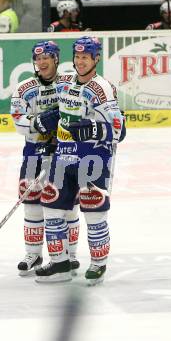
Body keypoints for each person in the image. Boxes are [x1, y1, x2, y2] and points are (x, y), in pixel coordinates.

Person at [35, 36, 126, 285]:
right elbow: (63, 113)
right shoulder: (64, 81)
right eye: (77, 57)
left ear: (96, 58)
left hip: (93, 157)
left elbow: (120, 129)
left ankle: (98, 263)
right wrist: (51, 119)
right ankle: (60, 262)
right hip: (64, 155)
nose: (80, 61)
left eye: (85, 57)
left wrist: (94, 129)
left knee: (94, 210)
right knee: (51, 204)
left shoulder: (102, 88)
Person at [10, 40, 81, 277]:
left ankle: (69, 254)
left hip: (65, 153)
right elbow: (18, 119)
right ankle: (34, 254)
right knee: (31, 204)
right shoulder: (24, 88)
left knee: (67, 205)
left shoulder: (69, 83)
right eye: (38, 59)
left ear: (56, 59)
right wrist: (39, 123)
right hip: (34, 152)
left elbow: (79, 108)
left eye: (46, 58)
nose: (41, 62)